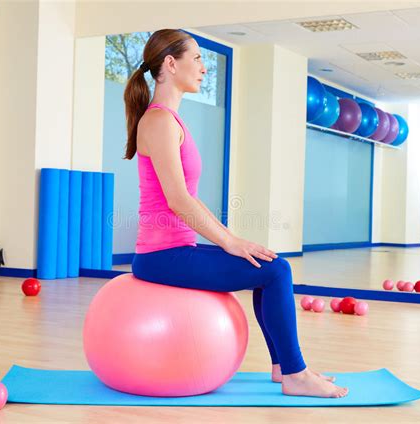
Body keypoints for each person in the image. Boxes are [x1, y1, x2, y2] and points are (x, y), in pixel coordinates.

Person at [123, 28, 348, 398]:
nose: (203, 68)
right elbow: (178, 200)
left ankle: (283, 367)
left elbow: (184, 201)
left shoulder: (169, 120)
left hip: (175, 250)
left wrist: (235, 243)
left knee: (267, 264)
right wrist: (230, 241)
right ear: (169, 63)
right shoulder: (159, 121)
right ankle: (295, 373)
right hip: (159, 257)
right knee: (276, 270)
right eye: (196, 58)